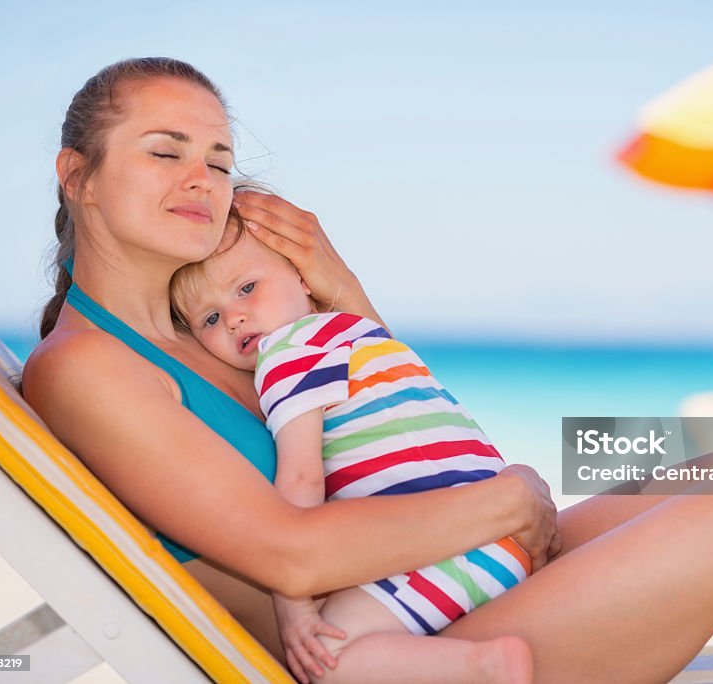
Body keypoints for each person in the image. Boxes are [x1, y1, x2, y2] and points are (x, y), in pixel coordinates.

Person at [21, 57, 713, 683]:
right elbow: (292, 555)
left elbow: (395, 409)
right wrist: (510, 500)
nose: (202, 177)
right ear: (78, 175)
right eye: (165, 152)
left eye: (219, 158)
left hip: (458, 576)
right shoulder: (88, 368)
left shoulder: (208, 332)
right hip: (400, 647)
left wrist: (338, 284)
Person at [169, 218, 534, 682]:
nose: (235, 316)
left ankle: (483, 668)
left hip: (449, 551)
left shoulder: (286, 358)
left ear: (301, 277)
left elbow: (302, 480)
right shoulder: (357, 334)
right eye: (211, 318)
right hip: (498, 538)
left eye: (246, 288)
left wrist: (292, 602)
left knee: (324, 655)